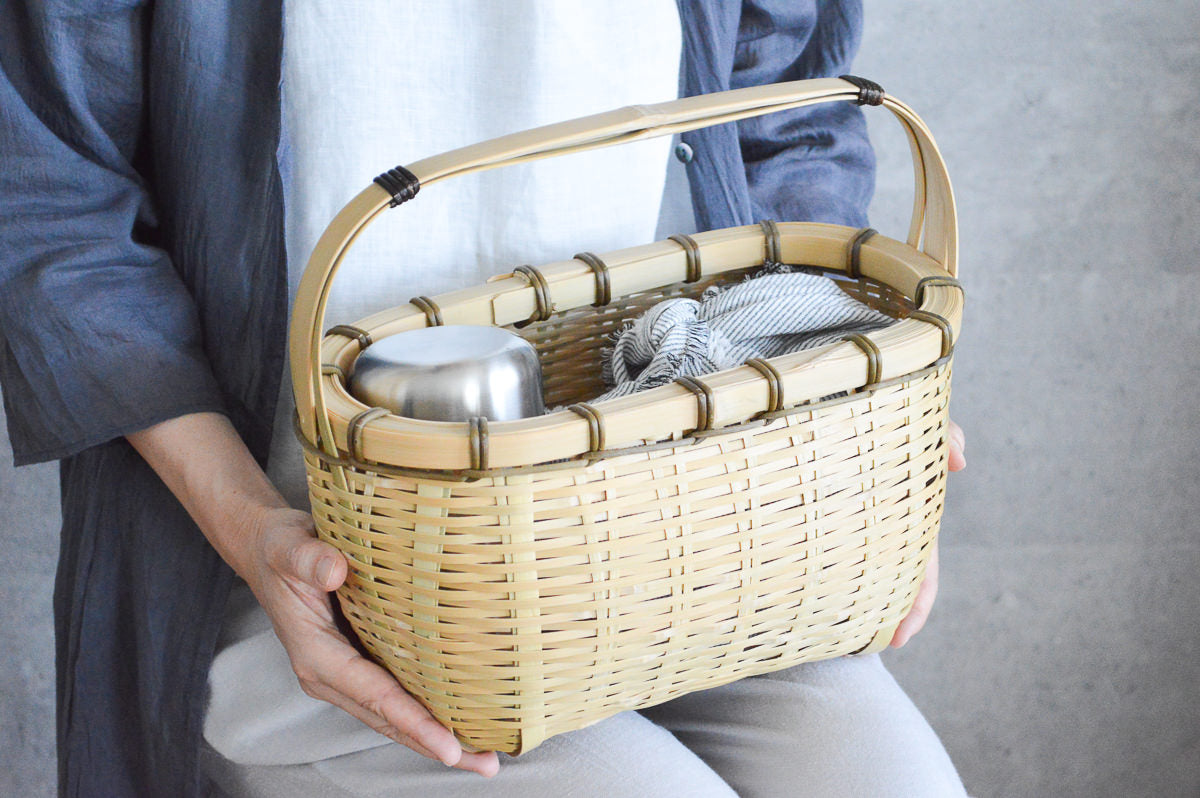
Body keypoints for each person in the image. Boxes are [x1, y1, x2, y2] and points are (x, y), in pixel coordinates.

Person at [0, 2, 967, 796]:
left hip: (678, 532)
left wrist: (853, 400)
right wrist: (255, 532)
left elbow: (787, 96)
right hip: (308, 566)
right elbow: (48, 190)